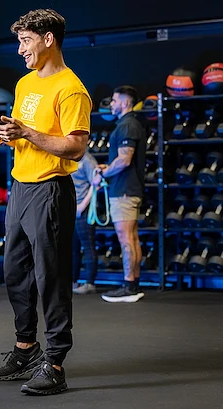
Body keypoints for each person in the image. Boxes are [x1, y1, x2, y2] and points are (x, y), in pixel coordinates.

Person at [0, 9, 91, 396]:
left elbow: (76, 148)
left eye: (26, 41)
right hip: (21, 187)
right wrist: (7, 136)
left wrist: (27, 131)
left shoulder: (71, 88)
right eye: (19, 42)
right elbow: (21, 134)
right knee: (15, 272)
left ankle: (57, 362)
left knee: (52, 278)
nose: (20, 50)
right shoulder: (25, 84)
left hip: (50, 190)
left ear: (48, 39)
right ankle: (26, 349)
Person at [96, 85, 147, 303]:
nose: (112, 105)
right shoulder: (129, 124)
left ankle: (129, 287)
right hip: (129, 189)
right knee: (132, 238)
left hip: (124, 191)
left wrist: (105, 171)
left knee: (126, 238)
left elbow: (125, 160)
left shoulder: (127, 126)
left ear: (125, 102)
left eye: (115, 101)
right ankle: (132, 284)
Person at [72, 150, 101, 294]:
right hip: (70, 210)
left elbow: (96, 184)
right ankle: (73, 282)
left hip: (83, 210)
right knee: (72, 249)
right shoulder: (69, 157)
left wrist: (82, 206)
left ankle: (90, 283)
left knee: (88, 246)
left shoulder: (87, 160)